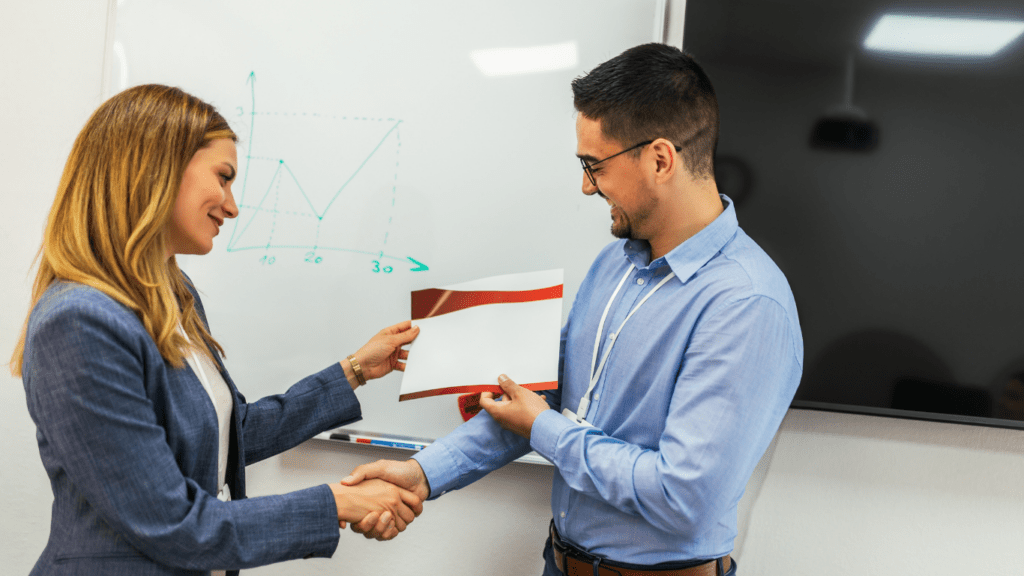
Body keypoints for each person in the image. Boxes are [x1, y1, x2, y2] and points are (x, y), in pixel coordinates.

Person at [342, 43, 804, 576]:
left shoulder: (746, 304)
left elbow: (684, 496)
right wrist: (424, 473)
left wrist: (546, 428)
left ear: (660, 159)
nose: (586, 186)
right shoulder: (614, 266)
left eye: (595, 166)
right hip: (559, 563)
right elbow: (539, 401)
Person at [10, 84, 423, 576]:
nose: (232, 206)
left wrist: (354, 370)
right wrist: (335, 503)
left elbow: (228, 433)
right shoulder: (79, 322)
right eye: (222, 178)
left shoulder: (174, 293)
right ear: (155, 169)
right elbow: (173, 523)